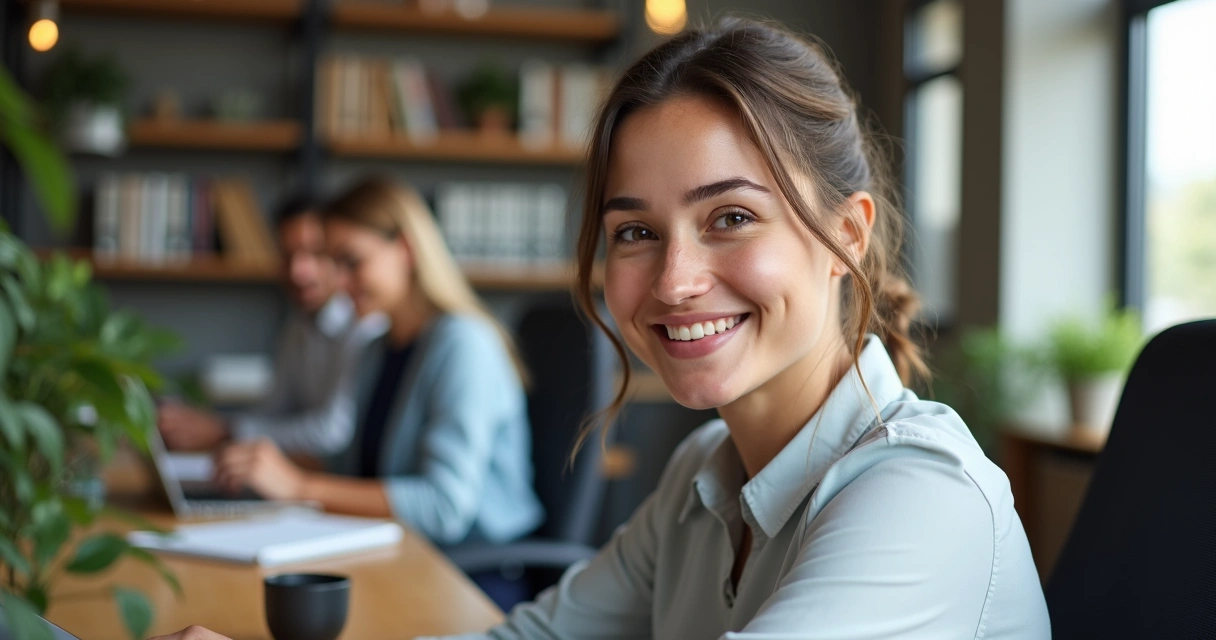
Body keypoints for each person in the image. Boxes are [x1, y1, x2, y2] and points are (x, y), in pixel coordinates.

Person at [150, 18, 1049, 640]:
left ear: (842, 237)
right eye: (634, 232)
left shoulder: (923, 500)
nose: (674, 280)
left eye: (731, 217)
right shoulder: (704, 471)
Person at [209, 177, 543, 549]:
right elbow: (356, 470)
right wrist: (264, 462)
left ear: (404, 248)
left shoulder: (463, 344)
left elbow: (444, 508)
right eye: (333, 263)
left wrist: (299, 487)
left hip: (474, 569)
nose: (339, 281)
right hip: (403, 551)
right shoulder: (379, 346)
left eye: (351, 261)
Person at [157, 193, 386, 456]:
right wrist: (208, 426)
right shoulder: (298, 325)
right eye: (287, 255)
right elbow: (272, 412)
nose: (298, 271)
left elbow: (333, 433)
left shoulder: (366, 326)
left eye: (315, 253)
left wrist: (225, 430)